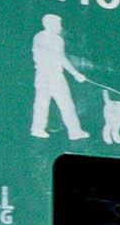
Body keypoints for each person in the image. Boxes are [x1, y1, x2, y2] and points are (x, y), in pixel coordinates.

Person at [29, 12, 94, 141]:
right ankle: (74, 132)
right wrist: (76, 74)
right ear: (48, 24)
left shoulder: (40, 37)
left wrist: (75, 74)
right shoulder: (55, 40)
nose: (60, 27)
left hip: (43, 75)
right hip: (52, 75)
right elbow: (61, 59)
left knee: (43, 103)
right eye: (58, 24)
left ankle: (38, 129)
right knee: (65, 104)